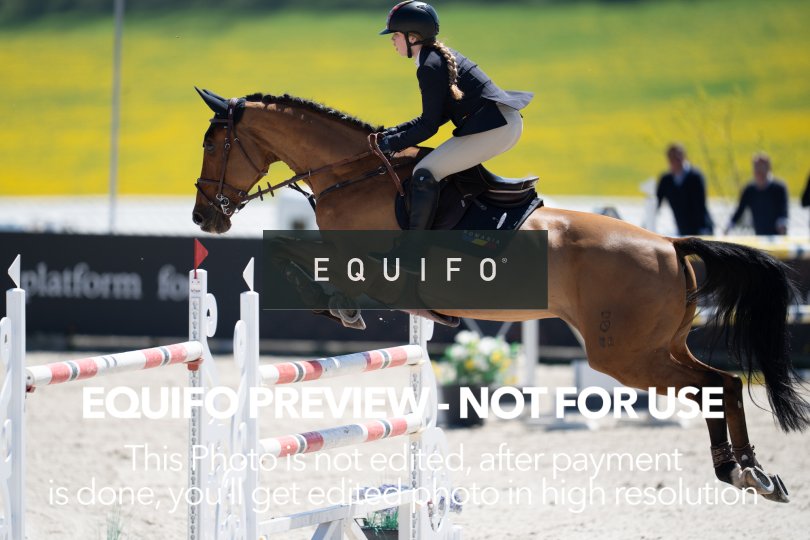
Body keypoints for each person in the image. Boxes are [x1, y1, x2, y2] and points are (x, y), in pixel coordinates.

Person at [376, 1, 533, 231]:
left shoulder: (429, 66)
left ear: (412, 37)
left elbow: (429, 126)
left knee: (424, 173)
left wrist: (390, 144)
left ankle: (414, 247)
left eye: (396, 35)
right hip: (499, 124)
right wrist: (392, 133)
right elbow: (437, 116)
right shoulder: (434, 57)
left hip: (496, 128)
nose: (392, 40)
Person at [655, 143, 714, 236]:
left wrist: (702, 229)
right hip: (682, 229)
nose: (676, 160)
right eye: (673, 158)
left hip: (702, 228)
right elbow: (656, 203)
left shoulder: (695, 176)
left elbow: (700, 205)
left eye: (679, 156)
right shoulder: (666, 180)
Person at [726, 152, 788, 235]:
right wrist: (729, 226)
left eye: (761, 168)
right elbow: (740, 210)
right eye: (756, 168)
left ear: (768, 168)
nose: (759, 171)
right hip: (758, 234)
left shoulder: (779, 188)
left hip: (776, 235)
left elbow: (783, 211)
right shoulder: (749, 189)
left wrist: (782, 225)